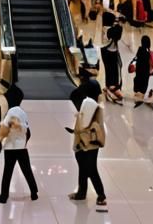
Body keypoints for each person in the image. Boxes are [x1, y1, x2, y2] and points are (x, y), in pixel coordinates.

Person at [0, 84, 38, 204]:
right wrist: (23, 142)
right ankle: (34, 192)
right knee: (27, 170)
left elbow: (4, 129)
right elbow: (28, 132)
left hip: (11, 147)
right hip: (22, 147)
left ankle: (4, 196)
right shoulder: (23, 112)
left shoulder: (11, 112)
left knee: (7, 172)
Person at [69, 78, 107, 210]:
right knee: (85, 167)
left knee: (90, 168)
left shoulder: (88, 103)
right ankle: (82, 192)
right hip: (91, 140)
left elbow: (83, 125)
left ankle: (101, 195)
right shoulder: (96, 103)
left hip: (87, 140)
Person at [129, 34, 153, 108]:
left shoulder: (139, 52)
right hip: (145, 82)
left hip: (138, 82)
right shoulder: (150, 54)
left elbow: (135, 61)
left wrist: (133, 65)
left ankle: (140, 96)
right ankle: (144, 96)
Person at [101, 16, 124, 104]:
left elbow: (117, 36)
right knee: (111, 69)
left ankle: (110, 85)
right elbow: (116, 34)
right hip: (108, 52)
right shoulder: (108, 29)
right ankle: (111, 86)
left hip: (111, 51)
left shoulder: (107, 28)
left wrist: (119, 25)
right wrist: (120, 25)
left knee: (113, 69)